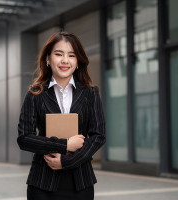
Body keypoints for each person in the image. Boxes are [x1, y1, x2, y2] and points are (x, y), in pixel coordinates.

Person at [17, 31, 106, 200]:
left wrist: (68, 161)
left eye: (71, 55)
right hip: (42, 183)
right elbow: (24, 138)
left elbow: (98, 136)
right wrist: (64, 145)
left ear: (78, 61)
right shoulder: (35, 93)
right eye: (59, 54)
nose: (65, 60)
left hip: (80, 182)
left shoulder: (90, 93)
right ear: (48, 59)